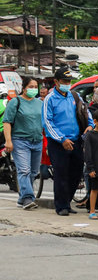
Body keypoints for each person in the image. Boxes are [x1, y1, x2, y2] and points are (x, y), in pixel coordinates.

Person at [43, 66, 93, 216]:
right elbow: (47, 122)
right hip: (58, 143)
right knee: (61, 174)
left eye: (69, 81)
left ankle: (68, 201)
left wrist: (90, 125)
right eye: (64, 81)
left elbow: (85, 111)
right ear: (56, 81)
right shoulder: (49, 99)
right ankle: (61, 206)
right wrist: (61, 139)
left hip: (76, 141)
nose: (67, 83)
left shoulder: (74, 95)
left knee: (76, 174)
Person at [3, 78, 45, 210]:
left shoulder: (40, 103)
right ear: (24, 87)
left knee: (33, 172)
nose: (33, 89)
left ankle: (22, 199)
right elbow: (7, 122)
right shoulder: (15, 102)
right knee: (24, 171)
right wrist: (8, 141)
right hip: (20, 141)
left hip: (37, 141)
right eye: (31, 86)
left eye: (35, 86)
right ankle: (28, 198)